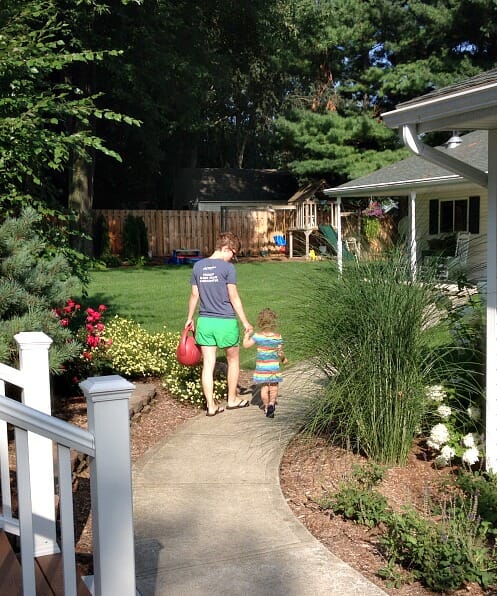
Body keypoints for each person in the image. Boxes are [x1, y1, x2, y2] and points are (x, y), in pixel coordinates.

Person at [186, 232, 253, 417]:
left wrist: (189, 318)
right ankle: (232, 399)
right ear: (226, 248)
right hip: (225, 322)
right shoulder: (227, 268)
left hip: (205, 322)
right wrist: (245, 321)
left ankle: (211, 406)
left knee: (208, 364)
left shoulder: (198, 266)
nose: (233, 257)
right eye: (234, 253)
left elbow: (194, 295)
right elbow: (234, 297)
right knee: (233, 360)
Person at [243, 308, 288, 418]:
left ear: (260, 322)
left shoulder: (258, 336)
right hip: (273, 368)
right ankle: (272, 403)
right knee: (274, 387)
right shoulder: (277, 337)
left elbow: (246, 345)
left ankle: (266, 406)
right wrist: (284, 359)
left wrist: (246, 335)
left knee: (264, 388)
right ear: (274, 322)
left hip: (262, 368)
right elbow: (280, 353)